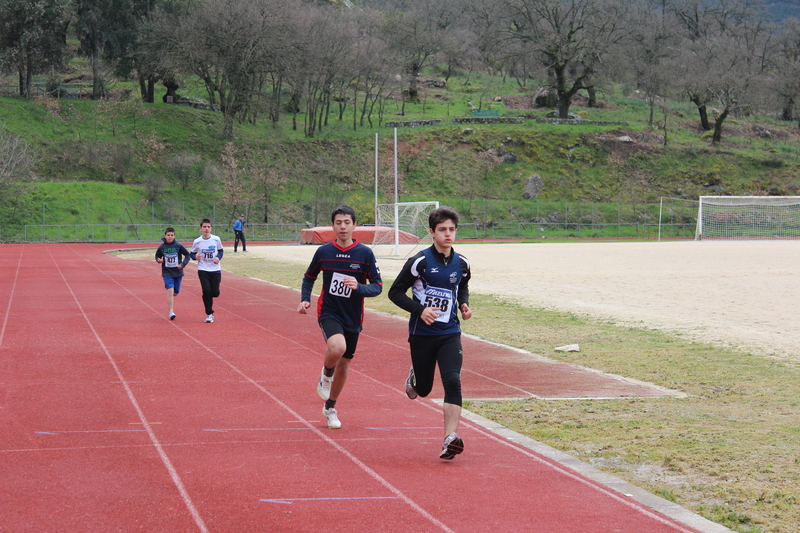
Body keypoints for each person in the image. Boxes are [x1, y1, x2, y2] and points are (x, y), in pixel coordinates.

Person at [388, 206, 472, 460]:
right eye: (443, 230)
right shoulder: (419, 262)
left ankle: (449, 438)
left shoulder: (463, 263)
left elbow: (462, 286)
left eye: (452, 230)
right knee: (423, 390)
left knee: (452, 380)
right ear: (432, 232)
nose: (448, 234)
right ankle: (414, 377)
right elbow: (395, 293)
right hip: (422, 335)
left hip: (450, 333)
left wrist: (463, 305)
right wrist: (420, 310)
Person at [297, 206, 382, 429]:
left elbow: (378, 287)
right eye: (338, 222)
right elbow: (309, 277)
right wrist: (305, 298)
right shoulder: (324, 252)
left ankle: (330, 407)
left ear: (354, 225)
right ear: (332, 226)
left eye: (347, 222)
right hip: (329, 311)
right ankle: (325, 375)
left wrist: (359, 287)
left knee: (344, 366)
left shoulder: (365, 254)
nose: (343, 226)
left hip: (353, 315)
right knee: (337, 348)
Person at [190, 218, 224, 323]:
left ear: (211, 228)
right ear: (200, 228)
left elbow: (221, 250)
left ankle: (211, 300)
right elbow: (191, 253)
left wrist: (218, 257)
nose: (206, 229)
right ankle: (209, 313)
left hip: (215, 269)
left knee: (215, 293)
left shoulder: (216, 239)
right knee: (206, 291)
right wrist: (195, 257)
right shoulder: (197, 241)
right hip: (203, 269)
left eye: (208, 227)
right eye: (204, 227)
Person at [154, 227, 191, 320]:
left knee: (175, 292)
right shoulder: (162, 247)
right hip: (167, 272)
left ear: (174, 236)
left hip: (178, 272)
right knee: (169, 290)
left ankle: (174, 294)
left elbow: (187, 255)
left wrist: (182, 264)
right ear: (165, 236)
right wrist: (158, 260)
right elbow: (157, 255)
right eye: (168, 235)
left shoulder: (178, 246)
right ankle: (171, 311)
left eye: (171, 235)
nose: (170, 237)